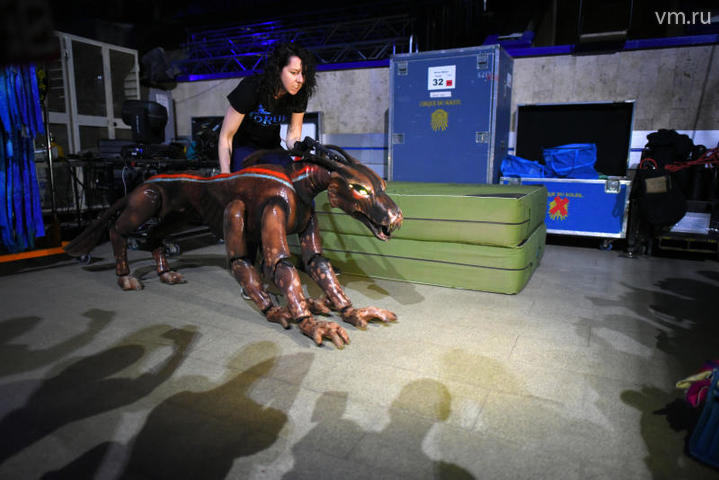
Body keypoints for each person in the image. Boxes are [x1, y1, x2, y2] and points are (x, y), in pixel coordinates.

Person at [218, 42, 317, 173]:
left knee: (294, 177)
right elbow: (226, 137)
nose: (300, 80)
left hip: (272, 148)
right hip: (243, 147)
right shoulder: (251, 88)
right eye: (294, 73)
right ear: (278, 70)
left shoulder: (300, 95)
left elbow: (292, 136)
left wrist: (299, 146)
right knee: (245, 182)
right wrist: (225, 174)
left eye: (303, 74)